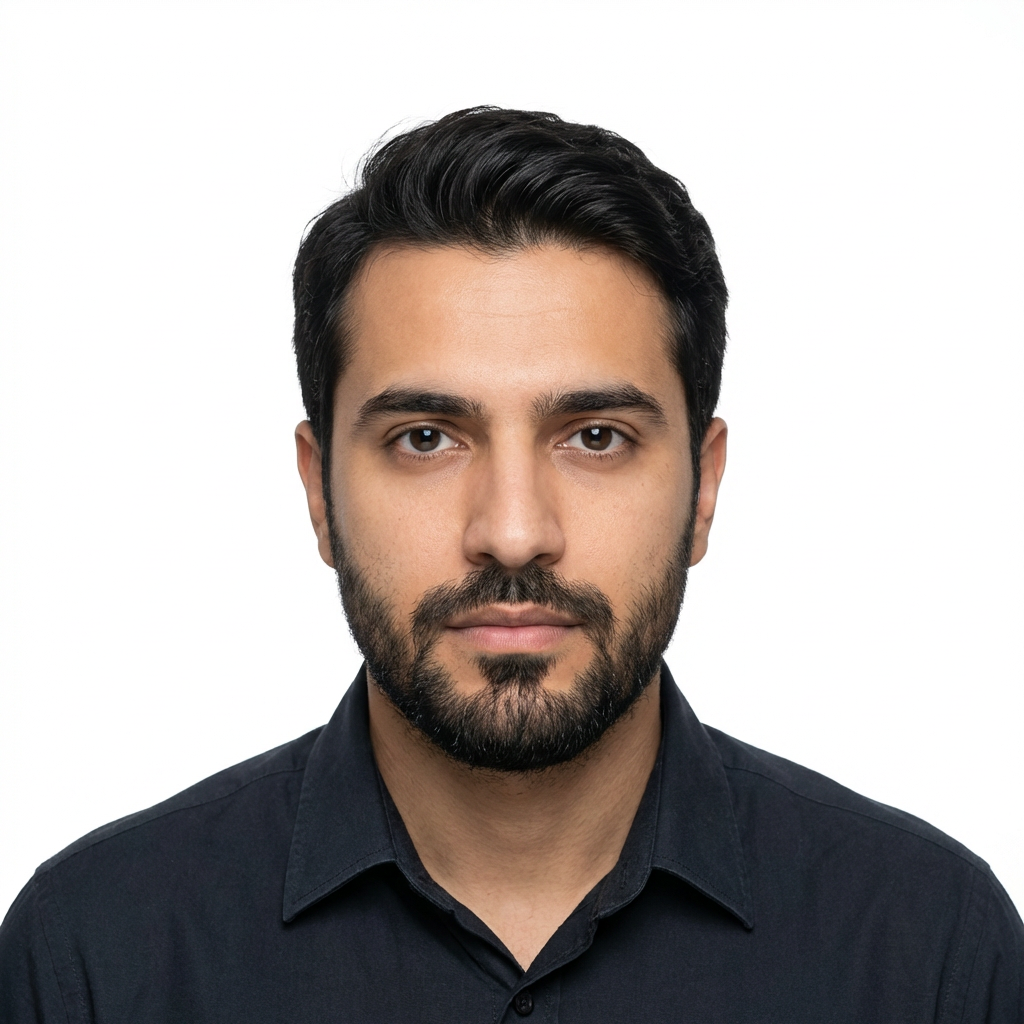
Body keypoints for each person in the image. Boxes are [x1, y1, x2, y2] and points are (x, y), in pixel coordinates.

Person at [1, 106, 1020, 1022]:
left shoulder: (931, 950)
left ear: (703, 487)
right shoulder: (92, 956)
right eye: (425, 439)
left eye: (596, 437)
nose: (515, 531)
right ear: (319, 492)